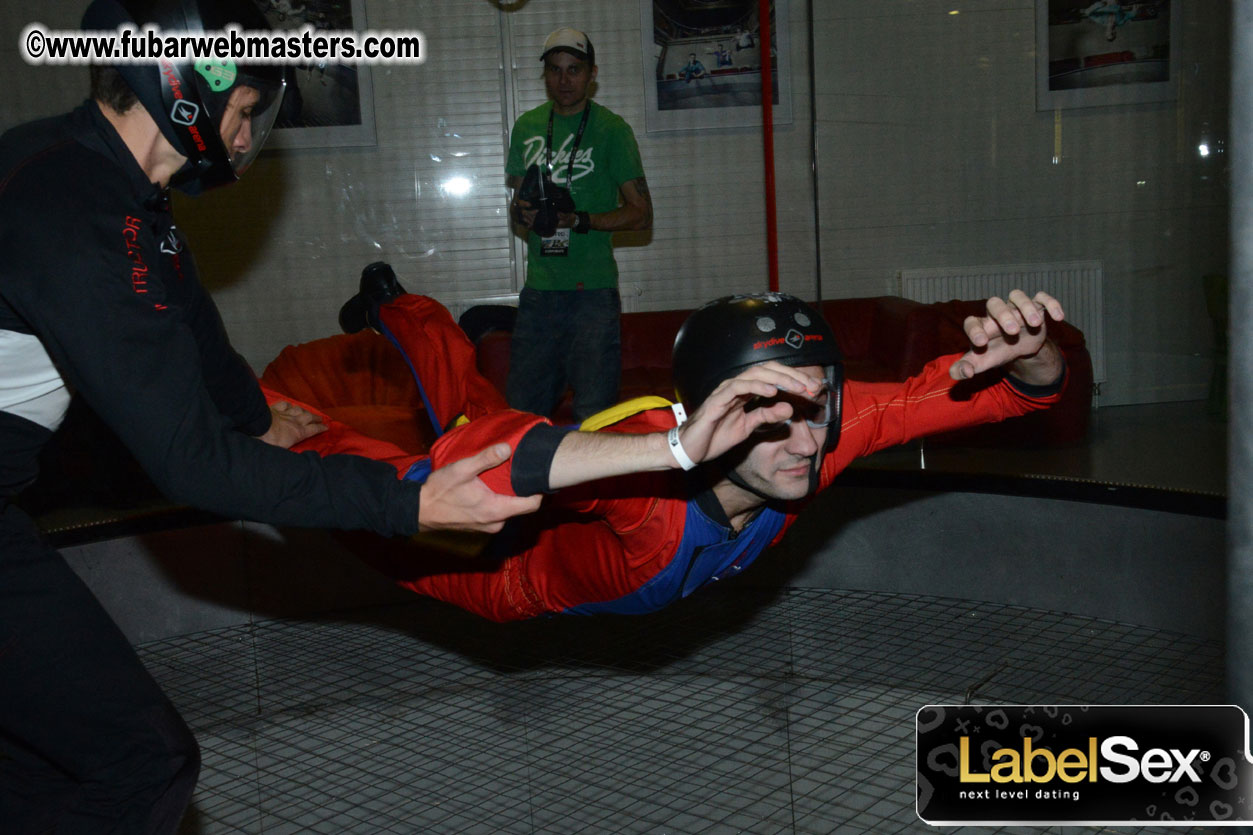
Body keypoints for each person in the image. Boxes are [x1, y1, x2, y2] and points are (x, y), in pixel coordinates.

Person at [0, 1, 537, 831]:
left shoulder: (100, 181)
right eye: (245, 109)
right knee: (143, 761)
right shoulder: (73, 214)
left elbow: (189, 324)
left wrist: (258, 416)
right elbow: (190, 464)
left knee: (42, 770)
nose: (248, 136)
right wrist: (409, 501)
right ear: (184, 82)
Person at [274, 276, 1068, 625]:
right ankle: (276, 414)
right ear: (711, 413)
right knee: (354, 487)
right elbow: (489, 464)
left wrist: (1036, 358)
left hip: (589, 478)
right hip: (491, 566)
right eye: (761, 412)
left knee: (470, 403)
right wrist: (674, 451)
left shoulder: (822, 430)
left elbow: (1003, 393)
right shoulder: (649, 488)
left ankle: (394, 300)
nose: (799, 442)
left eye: (813, 408)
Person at [505, 27, 653, 422]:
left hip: (592, 295)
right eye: (555, 70)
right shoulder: (527, 127)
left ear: (592, 74)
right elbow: (517, 208)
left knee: (594, 417)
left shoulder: (612, 130)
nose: (564, 80)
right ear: (545, 75)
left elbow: (641, 213)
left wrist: (580, 220)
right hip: (540, 291)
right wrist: (526, 215)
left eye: (574, 70)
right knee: (521, 415)